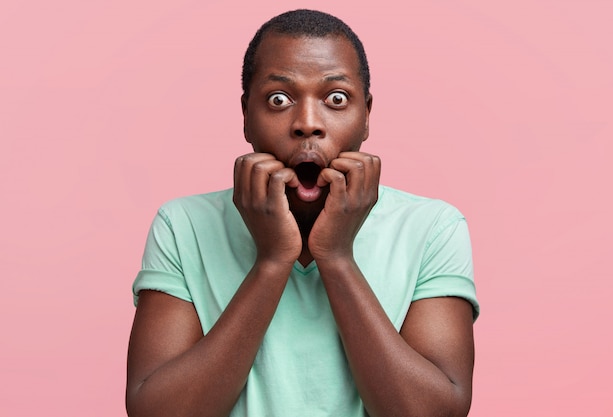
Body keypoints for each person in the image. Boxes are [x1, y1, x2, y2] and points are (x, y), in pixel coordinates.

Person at [126, 9, 479, 417]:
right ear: (245, 116)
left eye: (336, 99)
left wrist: (338, 258)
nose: (307, 124)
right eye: (279, 100)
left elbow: (433, 412)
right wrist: (273, 261)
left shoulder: (432, 228)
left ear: (366, 116)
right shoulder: (183, 226)